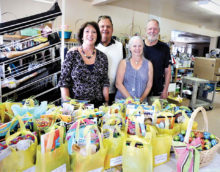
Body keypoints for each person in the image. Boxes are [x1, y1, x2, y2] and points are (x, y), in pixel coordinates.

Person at [58, 21, 110, 107]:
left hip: (97, 105)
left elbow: (105, 82)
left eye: (94, 32)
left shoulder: (103, 57)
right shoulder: (72, 54)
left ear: (97, 36)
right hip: (75, 105)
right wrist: (67, 104)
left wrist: (107, 102)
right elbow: (64, 81)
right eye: (87, 31)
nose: (90, 34)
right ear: (82, 36)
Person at [96, 15, 125, 105]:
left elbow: (125, 70)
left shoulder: (120, 46)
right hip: (95, 94)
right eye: (102, 26)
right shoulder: (92, 45)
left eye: (108, 26)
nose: (105, 29)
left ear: (112, 29)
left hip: (115, 94)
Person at [115, 36, 153, 103]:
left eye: (140, 46)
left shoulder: (149, 64)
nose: (137, 48)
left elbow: (149, 84)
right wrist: (131, 100)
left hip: (141, 103)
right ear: (130, 48)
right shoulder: (123, 63)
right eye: (134, 46)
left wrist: (141, 99)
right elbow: (118, 84)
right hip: (123, 102)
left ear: (143, 47)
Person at [143, 19, 171, 99]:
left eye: (155, 29)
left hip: (157, 92)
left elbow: (167, 71)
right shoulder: (139, 46)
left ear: (158, 31)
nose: (152, 31)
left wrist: (165, 90)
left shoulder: (164, 47)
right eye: (150, 29)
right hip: (140, 91)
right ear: (146, 30)